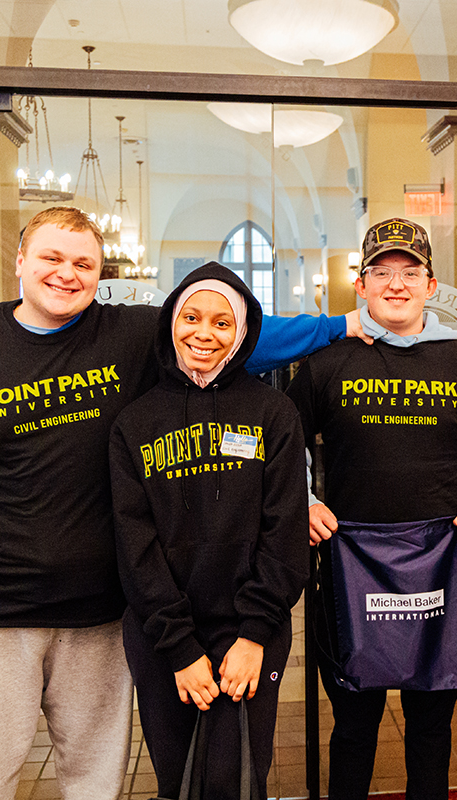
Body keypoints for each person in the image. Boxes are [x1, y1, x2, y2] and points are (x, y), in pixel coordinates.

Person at [0, 205, 368, 800]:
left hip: (101, 614)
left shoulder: (132, 336)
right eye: (51, 258)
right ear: (21, 262)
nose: (66, 274)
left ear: (100, 272)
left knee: (95, 783)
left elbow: (235, 336)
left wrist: (341, 326)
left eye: (83, 263)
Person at [286, 217, 457, 800]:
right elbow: (280, 443)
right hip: (348, 571)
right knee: (354, 728)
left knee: (429, 731)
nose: (396, 284)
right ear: (360, 286)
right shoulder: (326, 362)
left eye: (409, 272)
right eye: (381, 273)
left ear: (431, 285)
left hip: (441, 568)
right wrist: (304, 499)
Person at [110, 262, 308, 798]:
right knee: (177, 781)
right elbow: (135, 544)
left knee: (237, 779)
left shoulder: (273, 414)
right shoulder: (135, 423)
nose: (204, 333)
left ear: (242, 333)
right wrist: (178, 647)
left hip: (250, 629)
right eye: (191, 317)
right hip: (162, 633)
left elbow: (286, 531)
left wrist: (254, 634)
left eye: (222, 322)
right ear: (171, 322)